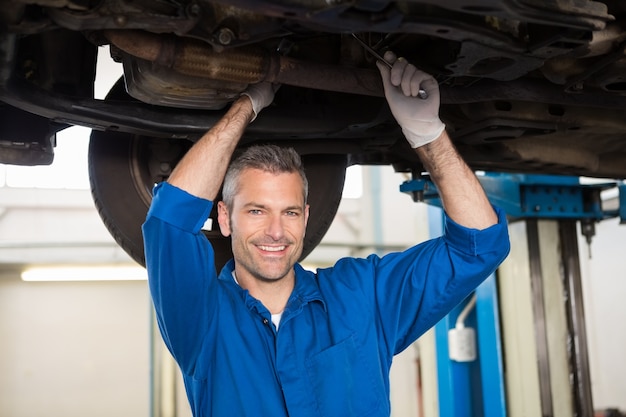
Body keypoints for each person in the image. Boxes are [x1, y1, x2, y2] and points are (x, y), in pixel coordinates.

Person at [142, 51, 510, 417]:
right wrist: (246, 105)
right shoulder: (200, 318)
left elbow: (478, 247)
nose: (275, 231)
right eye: (256, 211)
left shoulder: (362, 296)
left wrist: (428, 134)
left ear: (305, 218)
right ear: (224, 218)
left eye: (289, 212)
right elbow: (169, 221)